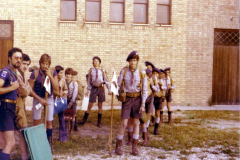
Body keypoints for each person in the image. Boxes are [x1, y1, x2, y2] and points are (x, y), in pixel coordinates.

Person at [115, 51, 147, 156]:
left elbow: (145, 89)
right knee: (124, 123)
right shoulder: (124, 71)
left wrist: (143, 104)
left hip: (137, 99)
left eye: (134, 60)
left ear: (137, 61)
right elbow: (118, 84)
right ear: (128, 61)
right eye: (131, 60)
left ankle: (134, 146)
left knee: (136, 123)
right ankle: (118, 145)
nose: (132, 62)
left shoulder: (142, 72)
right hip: (127, 99)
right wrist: (114, 91)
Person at [28, 53, 59, 150]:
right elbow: (29, 90)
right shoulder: (35, 73)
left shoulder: (53, 73)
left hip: (48, 98)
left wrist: (50, 76)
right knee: (36, 121)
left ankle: (48, 144)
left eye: (47, 64)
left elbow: (57, 88)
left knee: (49, 121)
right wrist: (39, 99)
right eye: (43, 63)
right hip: (38, 99)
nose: (45, 66)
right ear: (40, 63)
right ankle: (36, 143)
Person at [0, 47, 22, 160]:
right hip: (6, 108)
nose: (18, 60)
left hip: (9, 107)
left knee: (2, 142)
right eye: (16, 57)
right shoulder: (5, 72)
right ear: (9, 58)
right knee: (11, 143)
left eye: (20, 58)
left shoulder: (14, 72)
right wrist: (12, 87)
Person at [78, 56, 111, 127]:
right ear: (93, 62)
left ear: (99, 62)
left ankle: (99, 122)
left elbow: (106, 80)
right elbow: (89, 81)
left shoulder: (102, 71)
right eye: (94, 61)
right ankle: (84, 120)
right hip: (93, 88)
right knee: (90, 104)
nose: (95, 62)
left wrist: (109, 89)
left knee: (100, 105)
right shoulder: (91, 71)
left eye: (97, 61)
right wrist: (87, 90)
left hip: (101, 88)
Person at [16, 53, 32, 160]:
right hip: (14, 107)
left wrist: (25, 88)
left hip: (21, 107)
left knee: (22, 132)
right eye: (23, 63)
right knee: (8, 135)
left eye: (27, 64)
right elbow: (24, 91)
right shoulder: (16, 74)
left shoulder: (23, 75)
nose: (25, 66)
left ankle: (24, 157)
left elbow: (28, 91)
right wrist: (25, 89)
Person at [139, 68, 156, 146]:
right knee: (142, 116)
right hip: (142, 98)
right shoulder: (140, 80)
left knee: (148, 114)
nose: (147, 76)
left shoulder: (150, 80)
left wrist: (154, 89)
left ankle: (146, 130)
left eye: (148, 75)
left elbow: (154, 88)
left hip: (149, 97)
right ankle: (144, 133)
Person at [55, 65, 68, 141]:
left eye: (63, 73)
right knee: (50, 119)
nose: (62, 75)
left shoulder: (63, 80)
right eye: (61, 73)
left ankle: (63, 137)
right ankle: (48, 136)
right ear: (56, 73)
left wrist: (63, 92)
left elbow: (66, 89)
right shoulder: (52, 80)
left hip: (61, 101)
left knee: (62, 119)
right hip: (53, 101)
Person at [152, 68, 167, 135]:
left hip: (159, 98)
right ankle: (145, 128)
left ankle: (156, 128)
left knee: (157, 112)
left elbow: (164, 88)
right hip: (152, 97)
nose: (155, 75)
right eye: (154, 73)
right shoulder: (151, 80)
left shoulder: (161, 81)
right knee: (149, 112)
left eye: (156, 73)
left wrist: (161, 86)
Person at [65, 68, 78, 133]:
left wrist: (71, 103)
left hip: (72, 101)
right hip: (66, 101)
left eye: (69, 74)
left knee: (73, 116)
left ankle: (72, 129)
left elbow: (75, 93)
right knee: (66, 115)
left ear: (72, 75)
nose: (68, 76)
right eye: (66, 74)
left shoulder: (74, 83)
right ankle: (67, 129)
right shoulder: (64, 82)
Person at [145, 61, 156, 126]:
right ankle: (143, 124)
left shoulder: (153, 77)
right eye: (147, 67)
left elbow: (156, 87)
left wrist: (153, 90)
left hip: (150, 96)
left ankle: (147, 126)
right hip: (143, 96)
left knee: (149, 111)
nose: (148, 69)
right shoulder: (143, 76)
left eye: (150, 68)